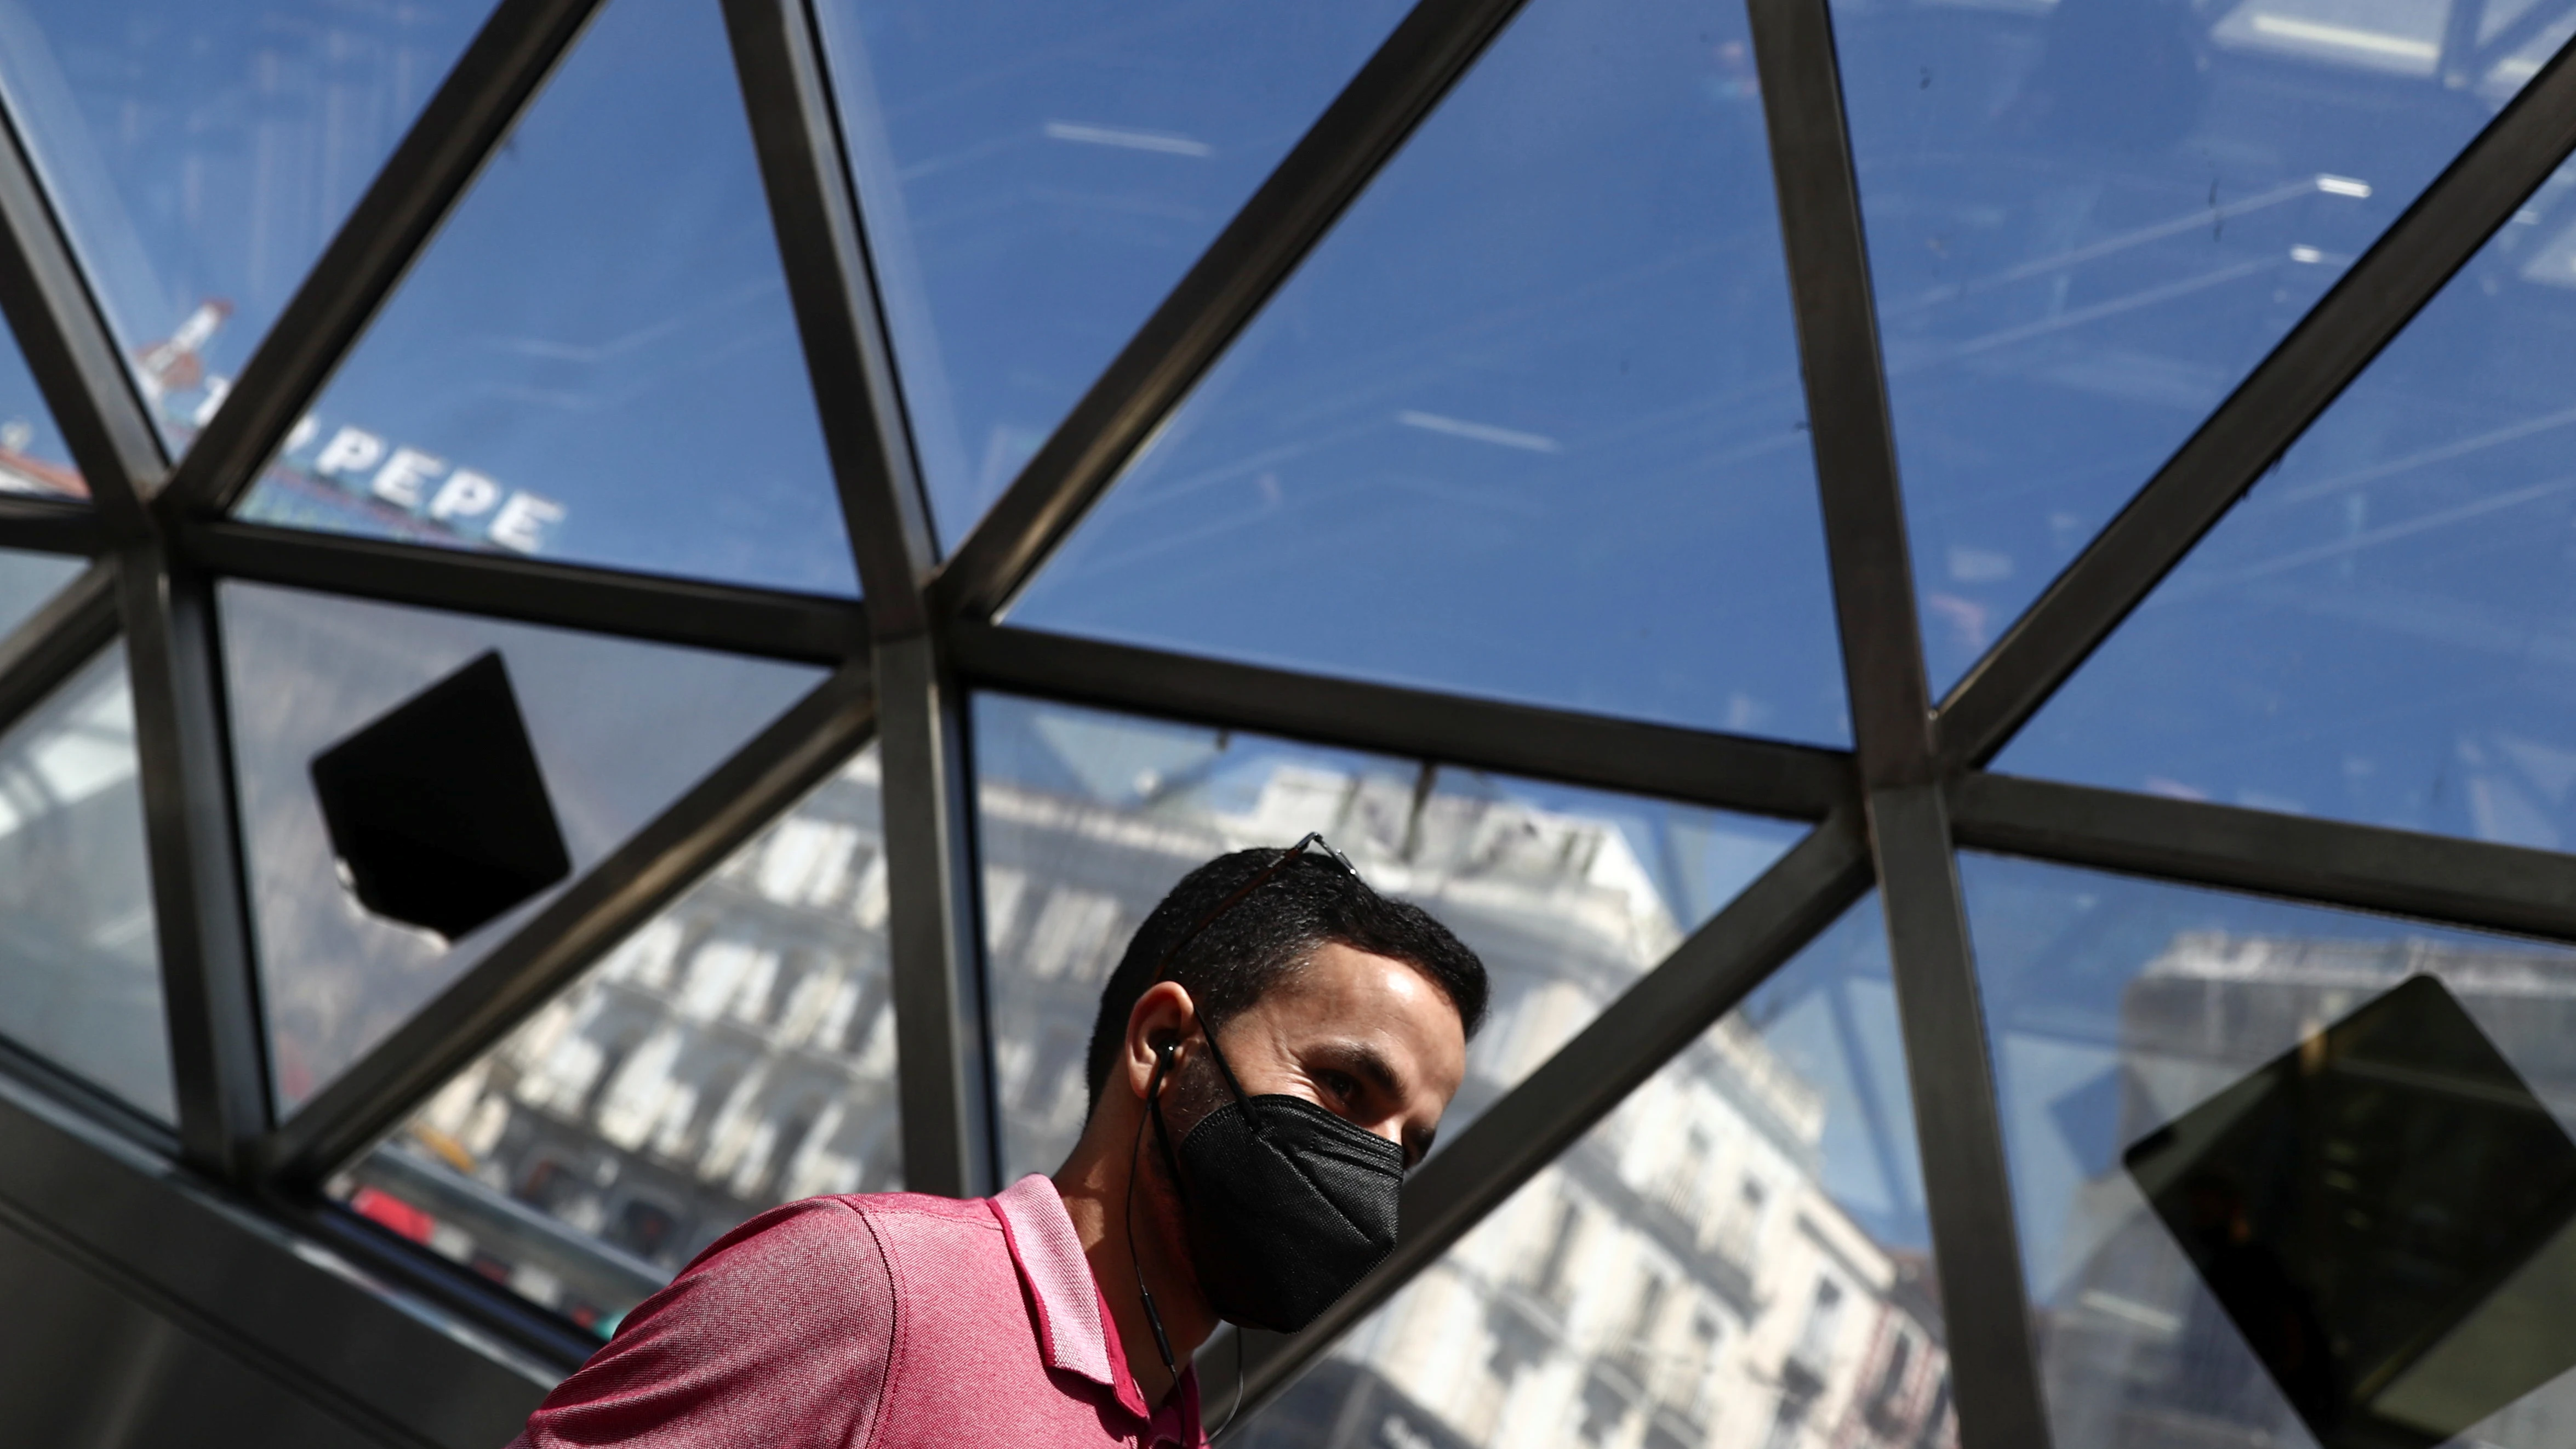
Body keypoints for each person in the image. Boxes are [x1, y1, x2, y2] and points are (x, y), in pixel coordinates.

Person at [505, 834, 1488, 1447]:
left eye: (1408, 1149)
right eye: (1346, 1086)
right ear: (1164, 1042)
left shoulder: (1171, 1424)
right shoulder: (867, 1289)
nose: (1375, 1173)